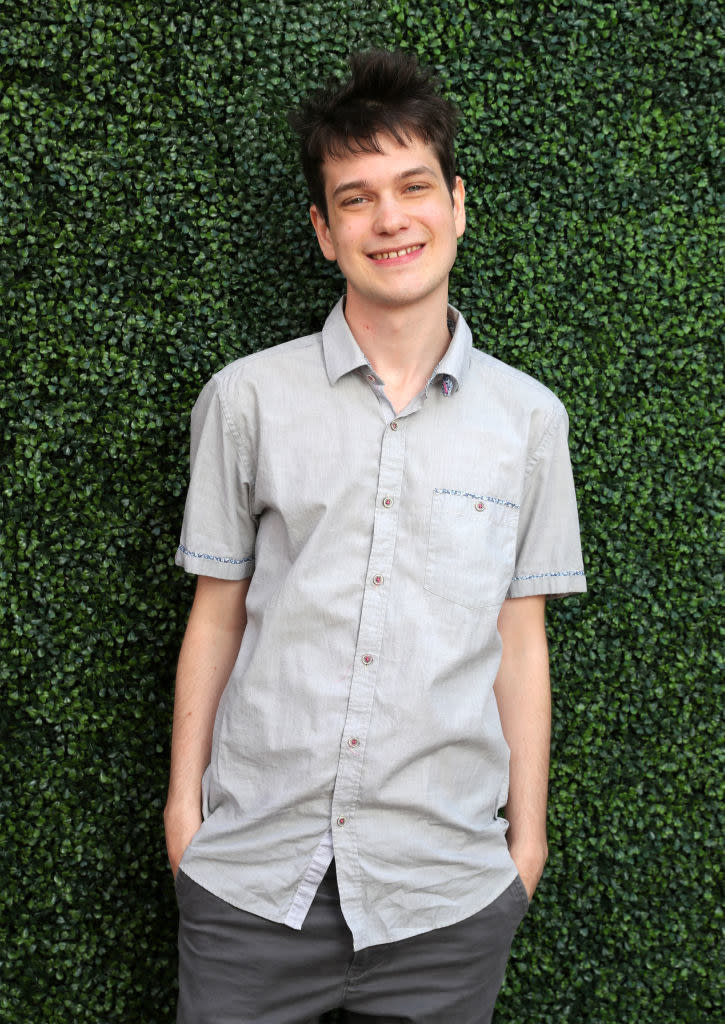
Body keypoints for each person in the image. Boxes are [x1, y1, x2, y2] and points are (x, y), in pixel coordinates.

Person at [165, 49, 586, 1024]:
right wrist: (183, 820)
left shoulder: (528, 421)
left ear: (456, 203)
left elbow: (518, 643)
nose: (388, 218)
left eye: (412, 187)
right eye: (353, 199)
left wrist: (524, 850)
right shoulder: (246, 399)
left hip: (443, 904)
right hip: (248, 890)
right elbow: (216, 613)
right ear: (322, 231)